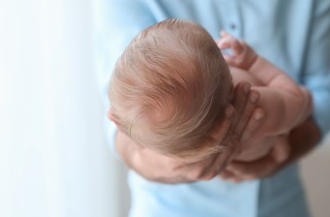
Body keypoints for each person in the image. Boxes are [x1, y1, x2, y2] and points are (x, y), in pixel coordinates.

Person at [94, 0, 330, 216]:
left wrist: (285, 153)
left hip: (279, 205)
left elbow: (325, 95)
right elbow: (304, 101)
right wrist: (255, 64)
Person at [107, 18, 312, 164]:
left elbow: (143, 124)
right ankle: (277, 144)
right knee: (292, 120)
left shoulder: (163, 144)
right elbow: (298, 101)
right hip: (263, 143)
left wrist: (131, 129)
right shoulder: (256, 103)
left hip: (220, 164)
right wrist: (254, 62)